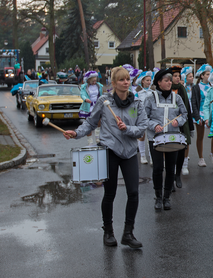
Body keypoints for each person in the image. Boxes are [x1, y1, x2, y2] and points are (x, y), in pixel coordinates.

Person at [63, 66, 148, 248]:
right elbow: (91, 122)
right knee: (110, 193)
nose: (126, 82)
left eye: (127, 79)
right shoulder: (104, 101)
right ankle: (108, 231)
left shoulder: (136, 103)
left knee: (133, 192)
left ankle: (128, 233)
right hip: (109, 150)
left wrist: (128, 129)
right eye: (121, 80)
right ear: (114, 83)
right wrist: (76, 133)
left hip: (130, 152)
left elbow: (142, 127)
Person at [143, 68, 188, 211]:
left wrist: (178, 122)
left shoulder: (177, 98)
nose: (170, 83)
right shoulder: (150, 98)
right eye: (166, 80)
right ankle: (158, 196)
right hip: (155, 138)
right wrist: (154, 125)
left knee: (170, 168)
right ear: (159, 82)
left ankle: (167, 197)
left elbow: (184, 114)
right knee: (157, 168)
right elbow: (144, 118)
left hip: (172, 137)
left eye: (170, 80)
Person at [169, 66, 194, 189]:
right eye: (175, 76)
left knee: (181, 148)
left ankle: (178, 174)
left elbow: (187, 108)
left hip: (181, 123)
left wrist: (190, 126)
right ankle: (170, 177)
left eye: (179, 76)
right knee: (170, 149)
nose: (177, 78)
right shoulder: (167, 89)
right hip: (169, 122)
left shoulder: (182, 90)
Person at [190, 64, 212, 167]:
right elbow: (194, 102)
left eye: (210, 74)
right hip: (200, 114)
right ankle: (201, 158)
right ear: (202, 76)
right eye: (207, 74)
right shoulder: (196, 87)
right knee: (200, 136)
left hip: (211, 114)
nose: (209, 75)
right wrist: (197, 116)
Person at [78, 71, 105, 145]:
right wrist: (85, 99)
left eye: (95, 80)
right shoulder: (84, 87)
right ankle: (90, 141)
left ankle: (97, 138)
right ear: (89, 80)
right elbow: (82, 94)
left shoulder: (98, 86)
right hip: (88, 107)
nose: (94, 82)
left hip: (97, 106)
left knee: (99, 122)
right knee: (88, 124)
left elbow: (101, 95)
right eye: (93, 81)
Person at [135, 71, 154, 164]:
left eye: (150, 80)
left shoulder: (153, 91)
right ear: (142, 81)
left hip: (151, 117)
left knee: (151, 137)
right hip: (141, 116)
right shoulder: (137, 92)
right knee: (142, 136)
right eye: (147, 80)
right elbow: (134, 105)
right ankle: (143, 155)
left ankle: (151, 157)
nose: (149, 82)